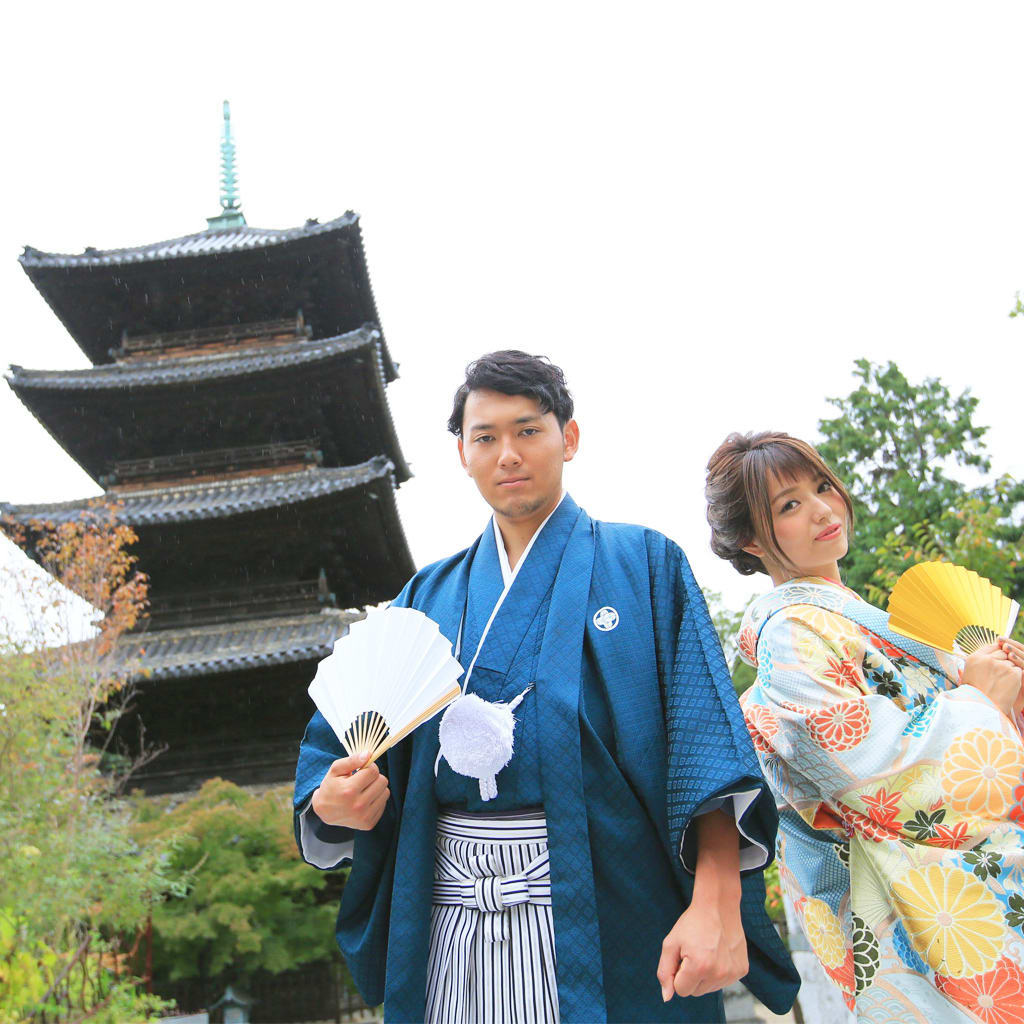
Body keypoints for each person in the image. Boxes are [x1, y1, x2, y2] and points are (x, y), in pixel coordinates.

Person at [294, 352, 799, 1023]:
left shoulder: (644, 565)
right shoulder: (424, 598)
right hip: (451, 923)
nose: (508, 453)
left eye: (528, 430)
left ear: (570, 437)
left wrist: (717, 904)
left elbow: (703, 747)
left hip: (611, 906)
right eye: (486, 437)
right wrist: (335, 802)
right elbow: (336, 756)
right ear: (461, 454)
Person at [705, 430, 1024, 1023]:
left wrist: (1003, 689)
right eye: (789, 505)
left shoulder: (860, 621)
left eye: (822, 486)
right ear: (751, 539)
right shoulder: (790, 635)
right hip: (910, 901)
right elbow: (872, 767)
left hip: (961, 876)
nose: (823, 509)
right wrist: (979, 699)